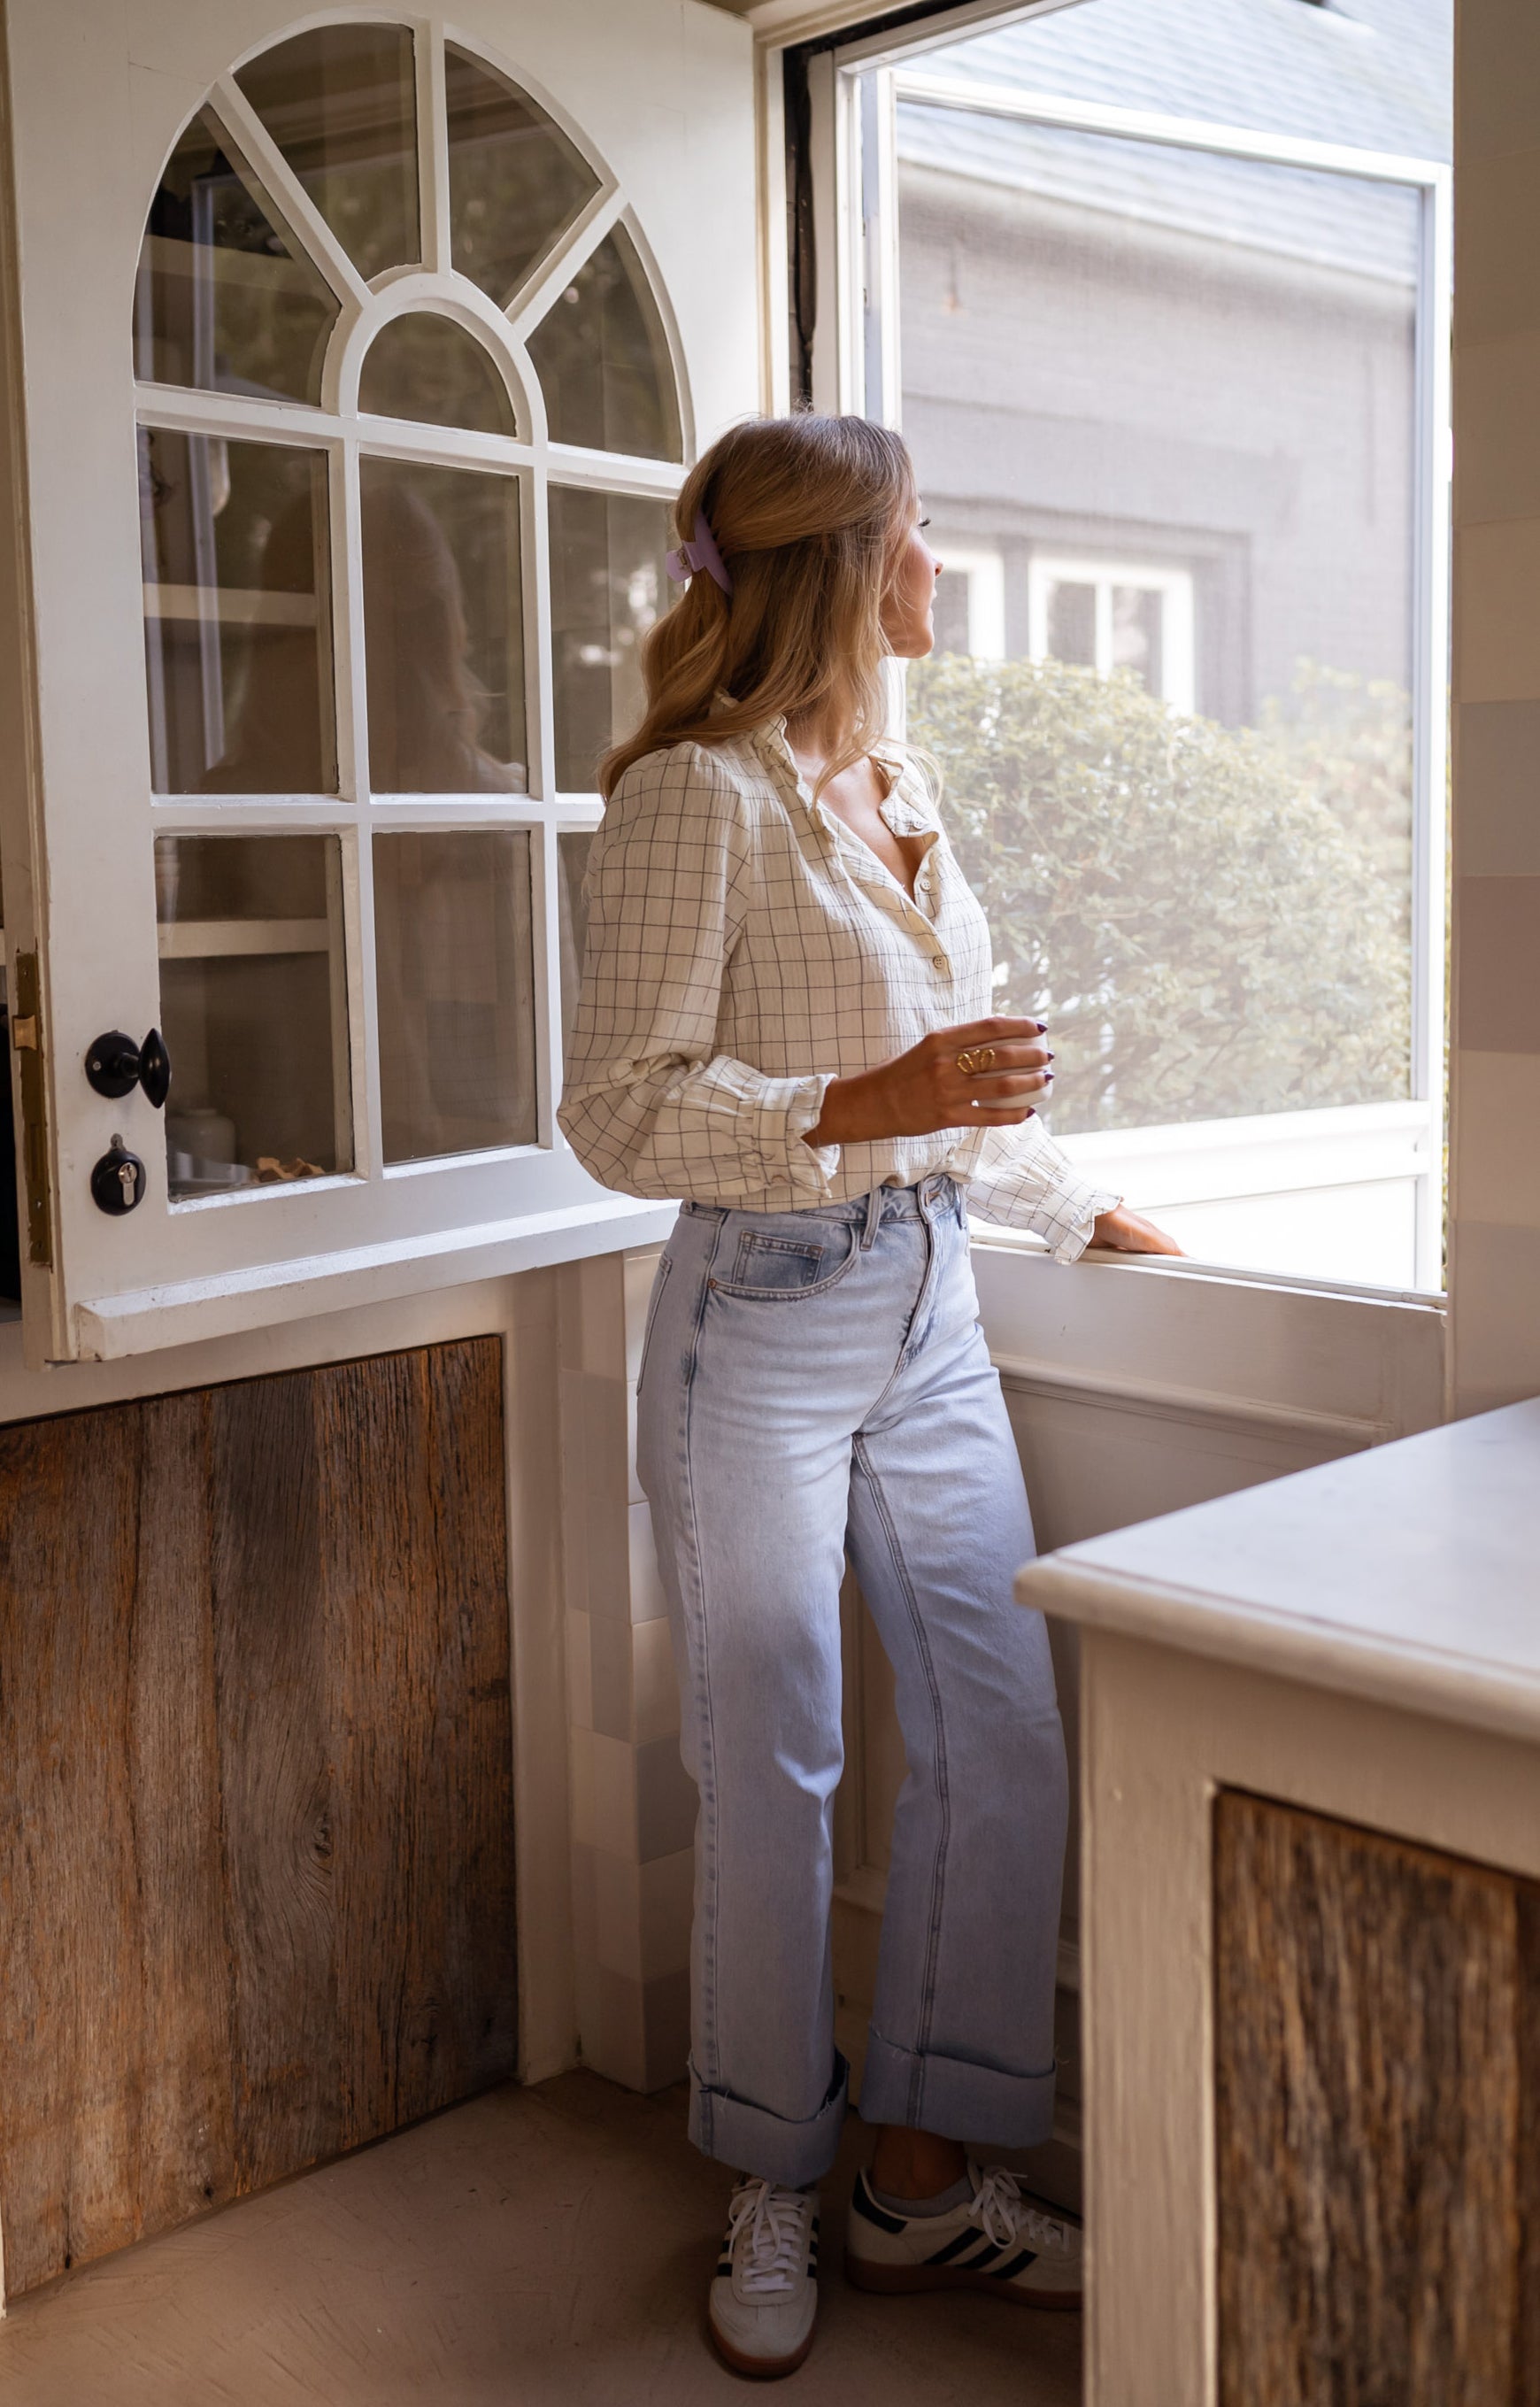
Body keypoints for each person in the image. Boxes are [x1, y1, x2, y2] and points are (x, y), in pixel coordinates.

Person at [558, 413, 1178, 2380]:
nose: (942, 563)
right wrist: (863, 1102)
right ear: (845, 564)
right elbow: (615, 1114)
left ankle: (918, 2181)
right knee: (780, 1750)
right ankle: (771, 2169)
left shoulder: (894, 783)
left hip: (927, 1306)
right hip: (757, 1317)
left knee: (1002, 1722)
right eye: (918, 532)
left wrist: (1084, 1209)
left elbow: (953, 1104)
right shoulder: (695, 800)